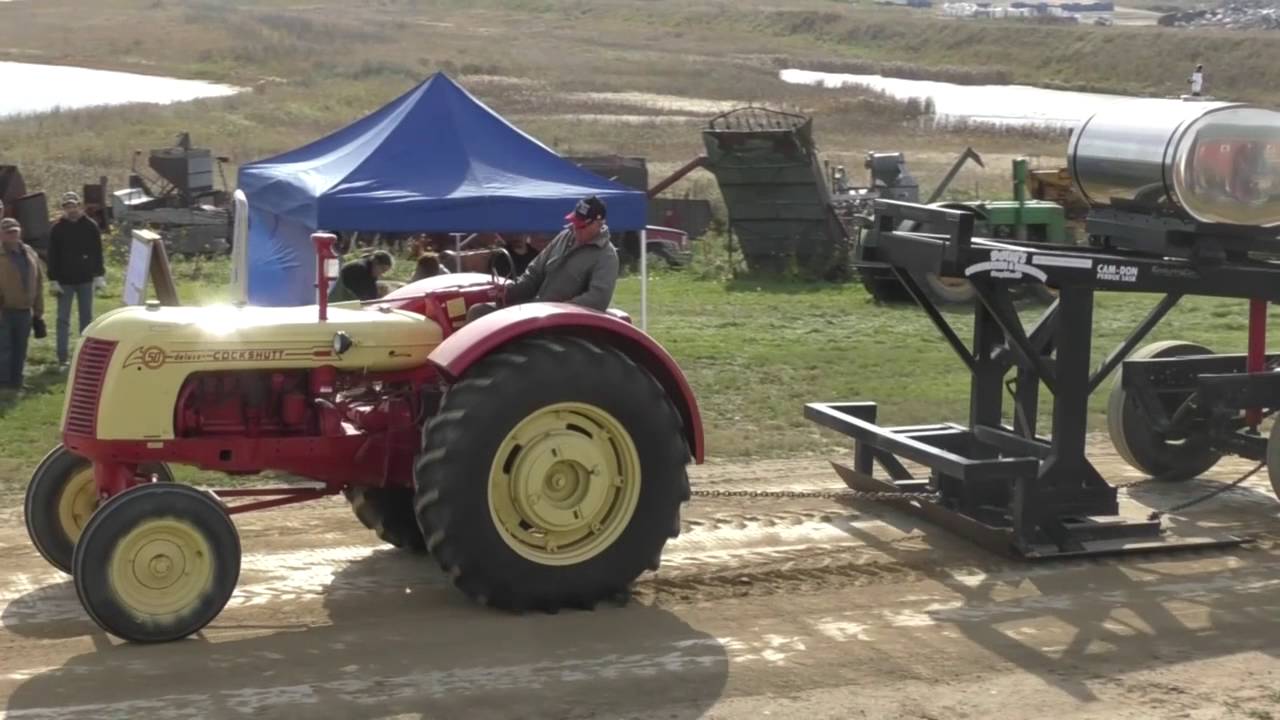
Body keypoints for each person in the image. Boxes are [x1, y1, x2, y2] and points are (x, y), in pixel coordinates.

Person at [466, 196, 618, 321]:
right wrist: (508, 292)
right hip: (536, 309)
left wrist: (562, 308)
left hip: (560, 319)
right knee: (479, 312)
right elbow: (534, 274)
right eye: (574, 223)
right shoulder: (564, 236)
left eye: (581, 226)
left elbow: (597, 299)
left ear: (599, 223)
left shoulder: (606, 256)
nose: (575, 230)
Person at [46, 191, 104, 370]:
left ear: (79, 205)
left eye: (73, 205)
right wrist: (53, 279)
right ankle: (62, 358)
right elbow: (52, 255)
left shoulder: (90, 226)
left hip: (85, 279)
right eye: (67, 206)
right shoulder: (57, 228)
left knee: (86, 318)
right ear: (63, 208)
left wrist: (99, 274)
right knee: (62, 319)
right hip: (64, 281)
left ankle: (85, 357)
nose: (71, 209)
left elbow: (97, 252)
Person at [0, 218, 45, 391]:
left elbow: (39, 281)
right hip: (4, 310)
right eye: (8, 231)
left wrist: (38, 310)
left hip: (25, 309)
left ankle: (17, 381)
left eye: (15, 230)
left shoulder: (29, 252)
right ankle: (3, 383)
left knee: (21, 347)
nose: (13, 234)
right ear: (1, 234)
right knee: (4, 348)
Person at [329, 250, 394, 301]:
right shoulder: (359, 269)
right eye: (382, 269)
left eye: (384, 272)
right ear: (375, 262)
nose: (381, 274)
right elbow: (360, 297)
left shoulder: (370, 271)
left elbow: (372, 295)